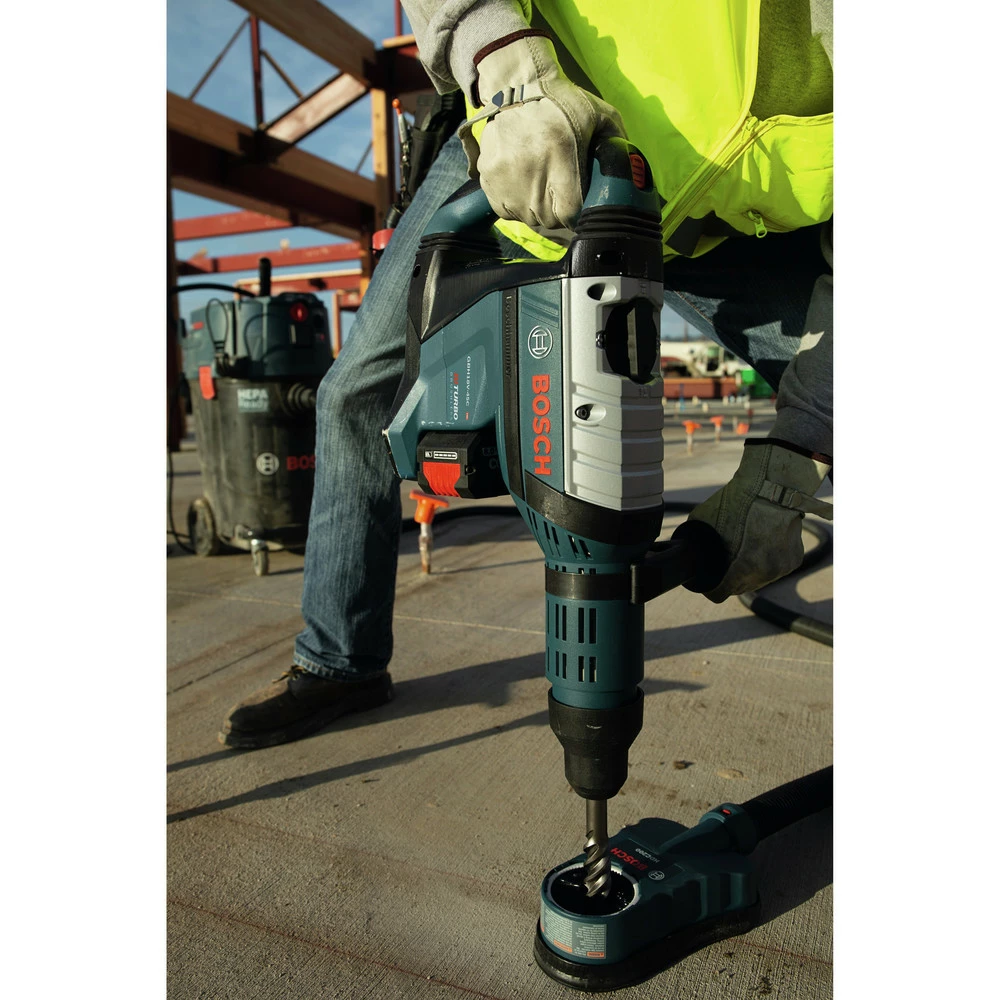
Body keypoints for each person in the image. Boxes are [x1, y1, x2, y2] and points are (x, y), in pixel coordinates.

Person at [219, 0, 833, 750]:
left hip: (712, 220)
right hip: (531, 132)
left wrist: (796, 458)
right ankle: (339, 661)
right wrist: (503, 61)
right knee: (359, 394)